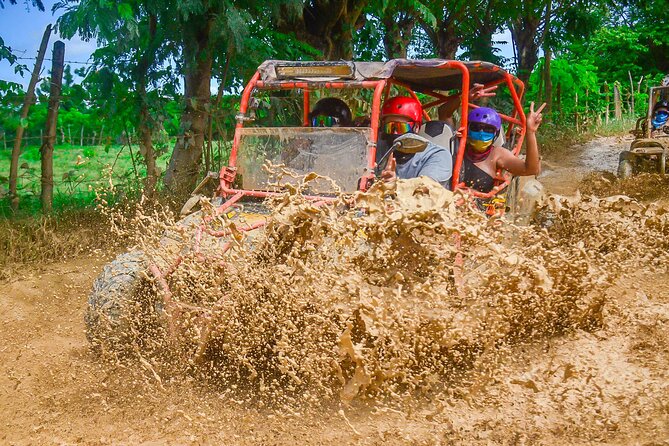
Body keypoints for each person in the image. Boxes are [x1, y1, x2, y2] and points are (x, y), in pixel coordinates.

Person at [461, 103, 545, 193]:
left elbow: (531, 169)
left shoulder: (497, 154)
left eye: (488, 130)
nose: (481, 133)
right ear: (468, 129)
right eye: (476, 127)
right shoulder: (456, 146)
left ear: (495, 134)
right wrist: (459, 98)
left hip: (478, 205)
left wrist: (530, 132)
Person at [378, 96, 453, 188]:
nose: (395, 133)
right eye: (389, 127)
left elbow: (426, 190)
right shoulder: (377, 149)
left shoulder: (437, 155)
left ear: (416, 128)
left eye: (401, 127)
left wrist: (396, 184)